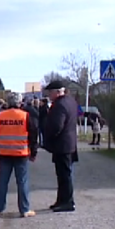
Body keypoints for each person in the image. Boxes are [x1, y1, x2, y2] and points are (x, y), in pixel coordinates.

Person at [0, 92, 38, 218]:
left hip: (4, 153)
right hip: (21, 153)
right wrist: (33, 152)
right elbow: (33, 135)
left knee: (3, 181)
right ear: (20, 102)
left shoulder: (0, 115)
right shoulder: (25, 116)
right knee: (22, 182)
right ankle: (24, 209)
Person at [42, 80, 79, 212]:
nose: (49, 95)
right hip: (68, 143)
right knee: (64, 174)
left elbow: (57, 125)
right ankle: (62, 200)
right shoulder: (70, 101)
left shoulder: (60, 105)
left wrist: (49, 137)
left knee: (64, 175)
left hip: (62, 144)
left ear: (58, 92)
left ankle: (67, 201)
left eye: (50, 92)